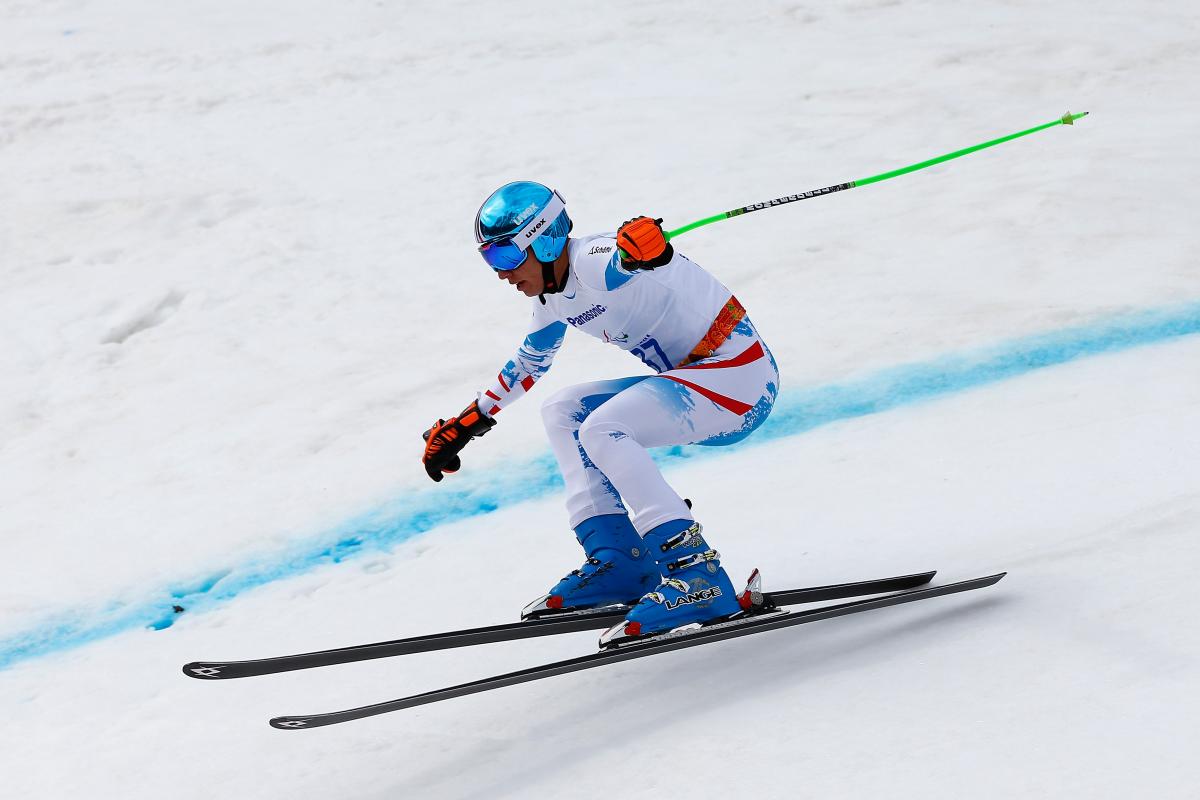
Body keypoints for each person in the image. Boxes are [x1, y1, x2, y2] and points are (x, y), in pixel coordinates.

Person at [421, 181, 780, 645]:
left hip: (740, 383)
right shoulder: (551, 295)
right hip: (699, 384)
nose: (500, 273)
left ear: (544, 239)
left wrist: (650, 251)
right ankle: (622, 559)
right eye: (490, 259)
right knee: (564, 411)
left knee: (605, 428)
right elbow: (531, 361)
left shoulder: (595, 260)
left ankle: (696, 574)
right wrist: (468, 421)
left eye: (507, 256)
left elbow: (630, 262)